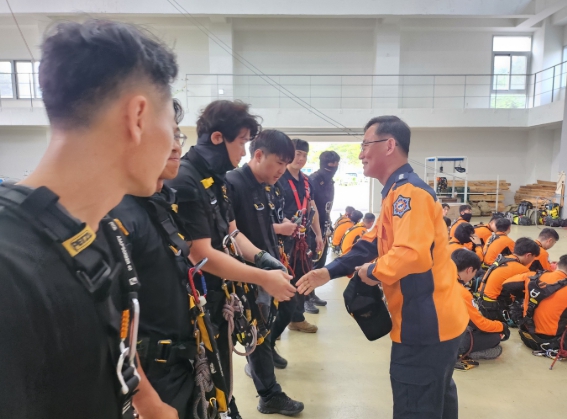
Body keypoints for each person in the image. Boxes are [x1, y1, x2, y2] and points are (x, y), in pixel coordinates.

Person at [0, 20, 179, 418]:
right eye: (172, 126)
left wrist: (150, 403)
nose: (172, 144)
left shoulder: (102, 232)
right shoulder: (10, 271)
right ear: (138, 116)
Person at [297, 115, 468, 419]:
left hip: (425, 325)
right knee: (436, 399)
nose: (360, 154)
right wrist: (328, 271)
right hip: (434, 321)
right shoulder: (395, 193)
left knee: (416, 406)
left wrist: (371, 272)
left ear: (389, 145)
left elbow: (412, 255)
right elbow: (370, 243)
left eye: (365, 145)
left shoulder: (409, 194)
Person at [165, 100, 295, 419]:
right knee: (204, 380)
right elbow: (201, 254)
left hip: (219, 297)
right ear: (217, 138)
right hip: (194, 301)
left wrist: (263, 258)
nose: (244, 151)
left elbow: (232, 233)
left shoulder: (218, 179)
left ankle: (228, 408)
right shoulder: (186, 179)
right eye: (242, 142)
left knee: (221, 371)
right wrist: (263, 278)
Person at [109, 100, 205, 418]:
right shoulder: (119, 214)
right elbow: (110, 324)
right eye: (167, 135)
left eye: (178, 136)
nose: (176, 146)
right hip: (150, 377)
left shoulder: (157, 204)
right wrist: (147, 402)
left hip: (180, 363)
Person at [225, 130, 304, 415]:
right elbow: (231, 233)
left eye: (286, 164)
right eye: (279, 163)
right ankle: (269, 394)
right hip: (248, 273)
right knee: (256, 331)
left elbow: (265, 226)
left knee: (284, 310)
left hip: (270, 265)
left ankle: (263, 356)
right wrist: (261, 262)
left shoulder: (266, 186)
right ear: (258, 155)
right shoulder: (232, 184)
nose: (282, 170)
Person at [275, 138, 323, 326]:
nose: (301, 158)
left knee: (302, 277)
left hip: (303, 239)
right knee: (281, 277)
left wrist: (318, 234)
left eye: (304, 155)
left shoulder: (307, 181)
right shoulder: (278, 178)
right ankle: (274, 322)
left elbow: (312, 208)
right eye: (297, 154)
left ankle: (297, 318)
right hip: (282, 238)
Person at [451, 250, 509, 362]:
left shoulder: (435, 279)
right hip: (444, 342)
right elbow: (480, 324)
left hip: (423, 335)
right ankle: (466, 353)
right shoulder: (462, 293)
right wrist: (502, 326)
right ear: (469, 270)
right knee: (494, 337)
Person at [478, 238, 539, 322]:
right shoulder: (522, 269)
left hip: (481, 302)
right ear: (528, 255)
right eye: (533, 257)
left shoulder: (504, 258)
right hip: (494, 310)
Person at [518, 255, 567, 351]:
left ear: (556, 264)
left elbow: (507, 284)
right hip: (552, 343)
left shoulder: (533, 276)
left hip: (526, 335)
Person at [309, 150, 340, 273]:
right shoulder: (312, 181)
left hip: (324, 227)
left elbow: (326, 208)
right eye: (329, 168)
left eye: (336, 167)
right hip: (311, 229)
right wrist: (316, 233)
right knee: (310, 263)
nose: (332, 171)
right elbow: (310, 208)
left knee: (320, 263)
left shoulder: (330, 182)